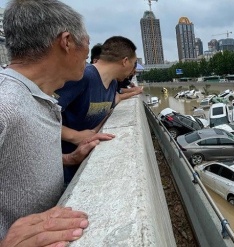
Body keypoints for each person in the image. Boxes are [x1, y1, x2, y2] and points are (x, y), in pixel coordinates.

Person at [0, 0, 112, 245]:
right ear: (67, 41)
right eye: (88, 44)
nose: (88, 56)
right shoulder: (5, 103)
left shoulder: (35, 98)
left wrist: (69, 159)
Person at [55, 36, 143, 184]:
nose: (132, 71)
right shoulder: (84, 77)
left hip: (80, 166)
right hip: (60, 168)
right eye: (133, 64)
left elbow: (113, 101)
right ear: (125, 61)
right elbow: (38, 116)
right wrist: (74, 136)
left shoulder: (113, 83)